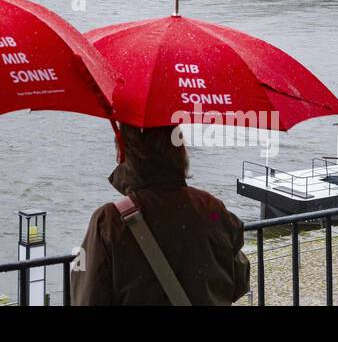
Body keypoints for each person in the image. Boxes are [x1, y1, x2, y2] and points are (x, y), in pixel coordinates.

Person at [72, 124, 250, 306]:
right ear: (180, 151)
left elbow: (87, 298)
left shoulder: (109, 221)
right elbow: (239, 282)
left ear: (122, 155)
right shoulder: (211, 208)